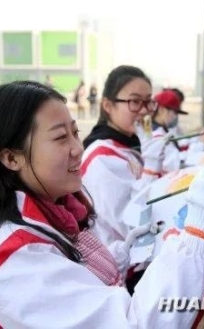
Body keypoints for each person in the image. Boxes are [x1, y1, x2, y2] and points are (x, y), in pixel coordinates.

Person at [0, 80, 204, 327]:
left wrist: (125, 255)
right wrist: (200, 225)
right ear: (11, 157)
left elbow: (80, 277)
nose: (78, 148)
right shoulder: (17, 260)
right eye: (60, 138)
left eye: (75, 133)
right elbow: (136, 323)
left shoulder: (51, 211)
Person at [81, 65, 168, 293]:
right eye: (134, 101)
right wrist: (150, 167)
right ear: (108, 105)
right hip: (120, 273)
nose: (144, 111)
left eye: (148, 101)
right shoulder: (101, 156)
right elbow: (130, 224)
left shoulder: (127, 144)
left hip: (137, 261)